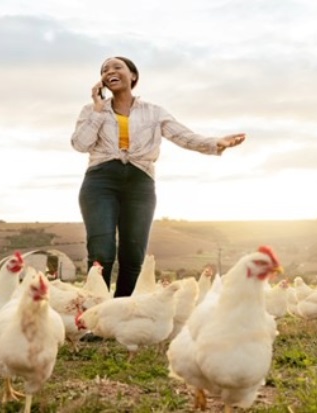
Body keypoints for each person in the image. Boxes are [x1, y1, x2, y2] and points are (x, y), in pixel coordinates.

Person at [70, 56, 245, 297]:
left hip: (140, 183)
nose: (110, 71)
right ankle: (95, 315)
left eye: (117, 67)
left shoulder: (154, 112)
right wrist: (99, 111)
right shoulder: (91, 111)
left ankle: (122, 314)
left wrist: (216, 143)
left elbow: (183, 136)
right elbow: (80, 144)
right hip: (100, 182)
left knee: (133, 254)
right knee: (101, 251)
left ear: (132, 76)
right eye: (104, 69)